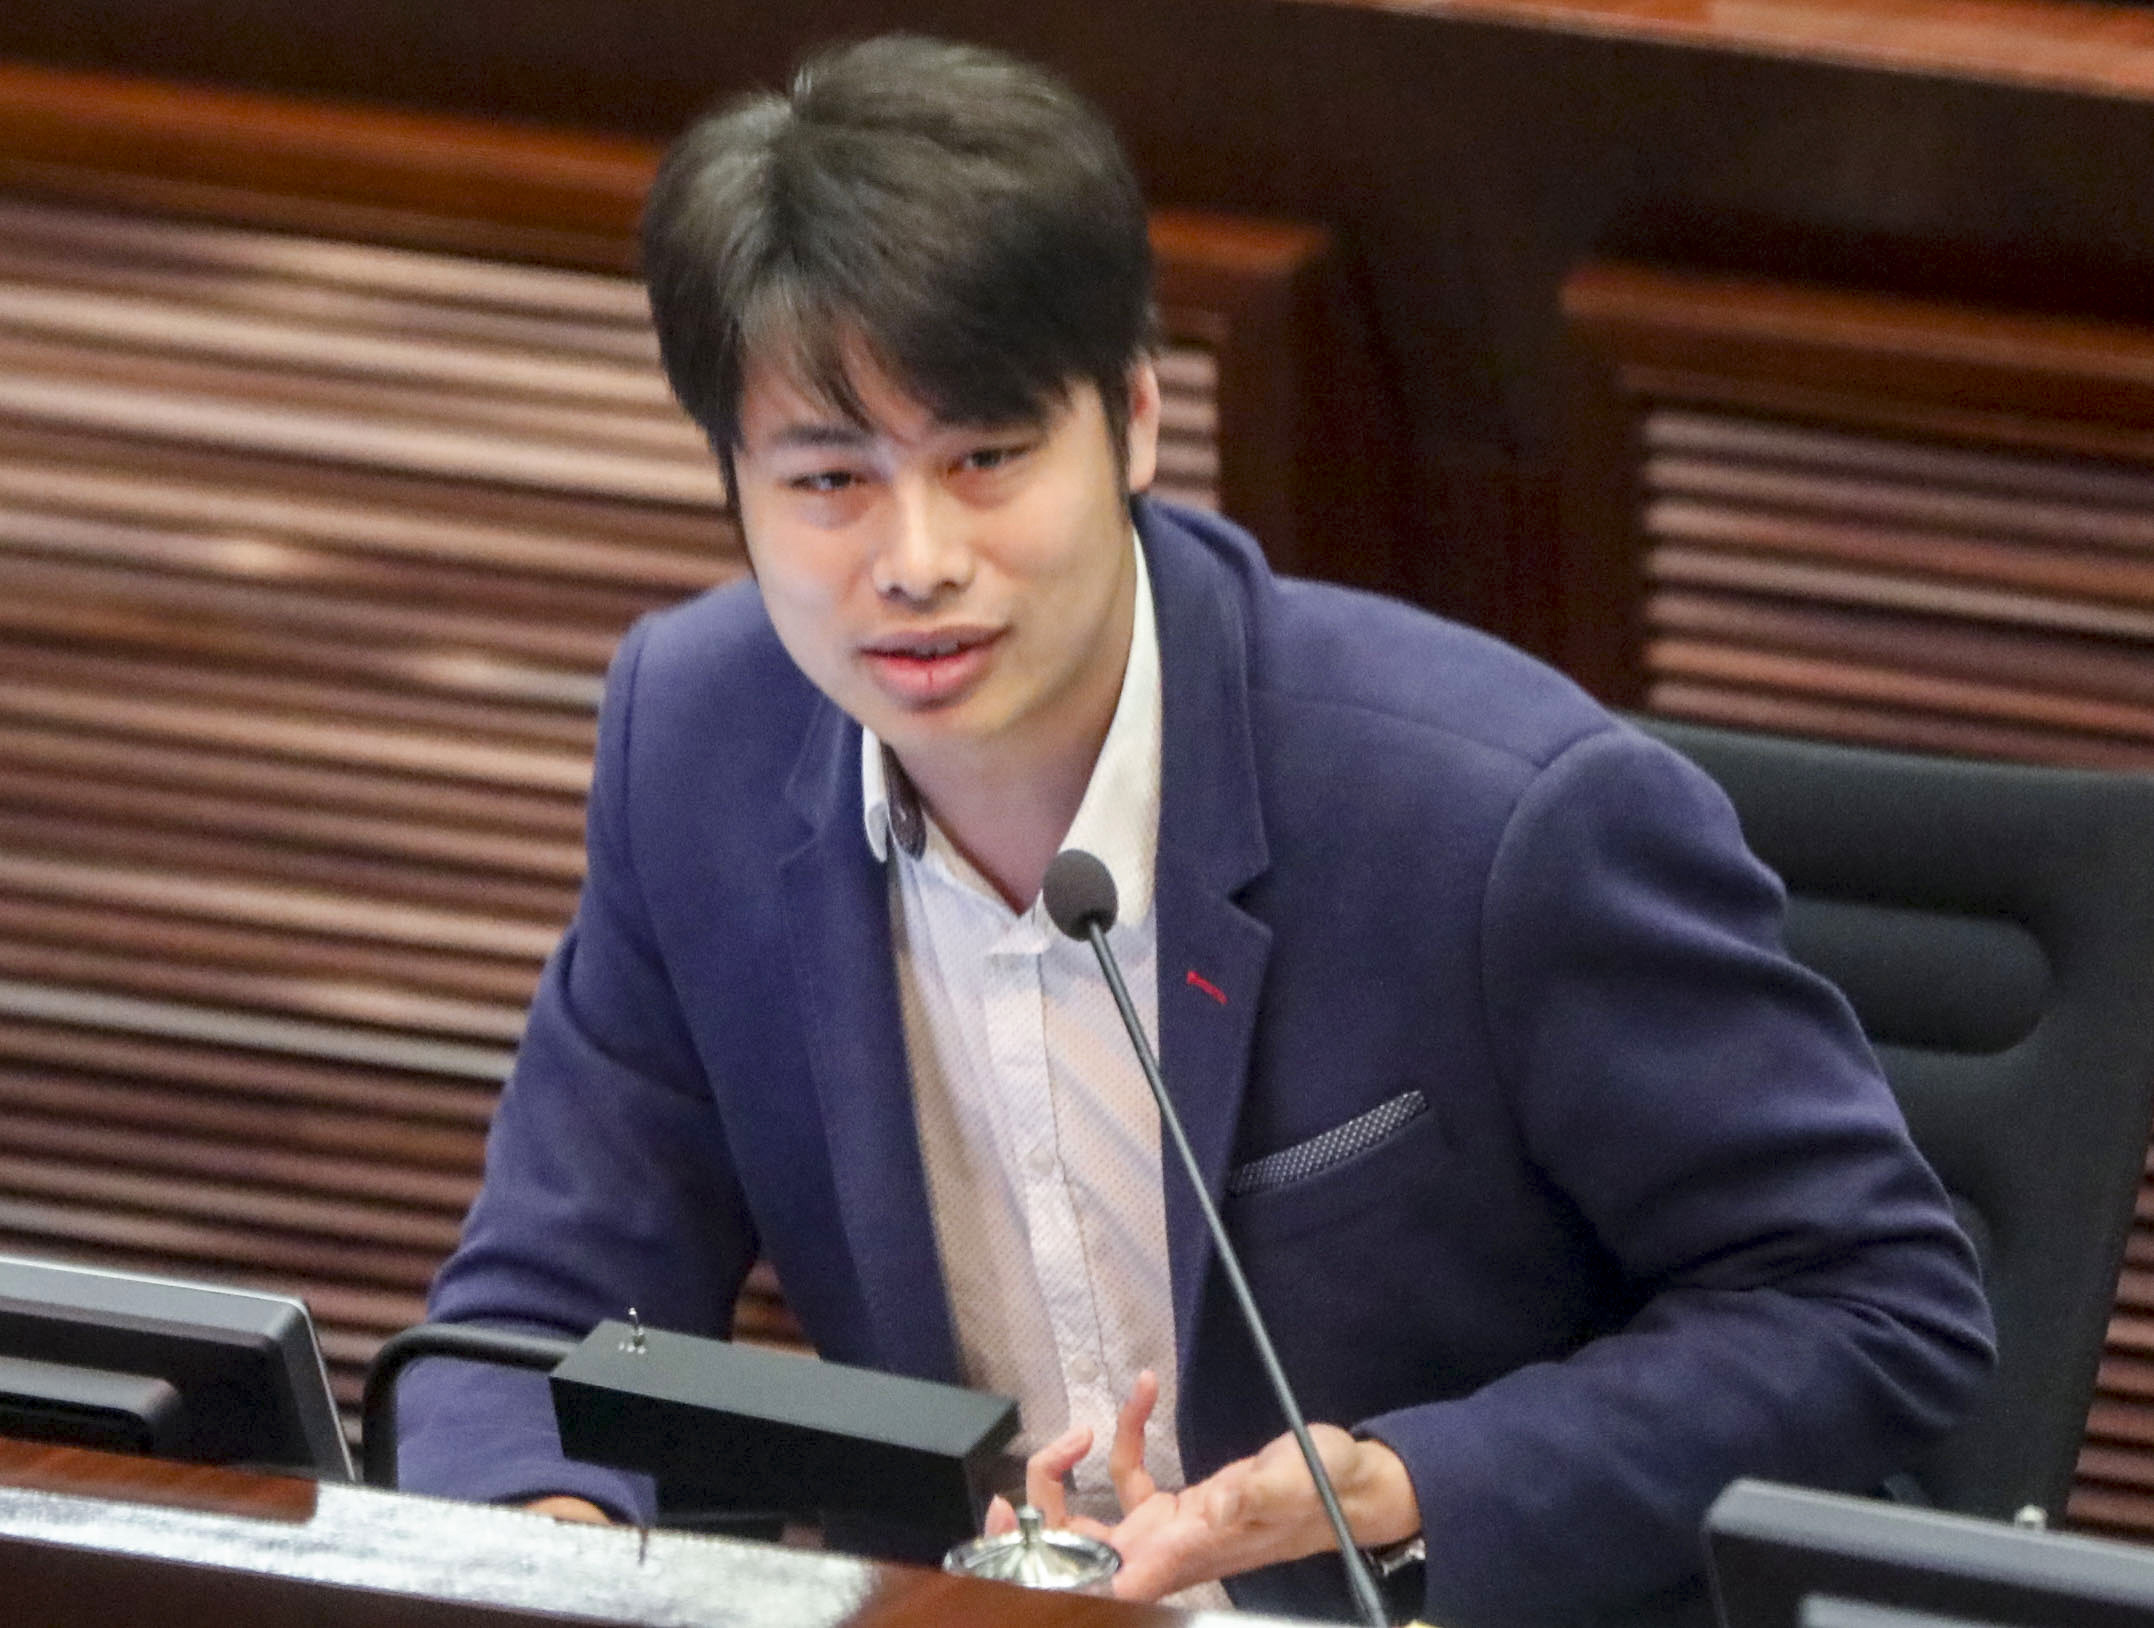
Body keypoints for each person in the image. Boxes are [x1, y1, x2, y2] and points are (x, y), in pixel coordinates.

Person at [397, 34, 1994, 1626]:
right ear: (733, 485)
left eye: (987, 457)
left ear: (1136, 421)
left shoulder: (1491, 817)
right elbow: (535, 1320)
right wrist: (544, 1547)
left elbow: (1872, 1304)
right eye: (828, 480)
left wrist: (1408, 1486)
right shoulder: (698, 750)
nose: (917, 557)